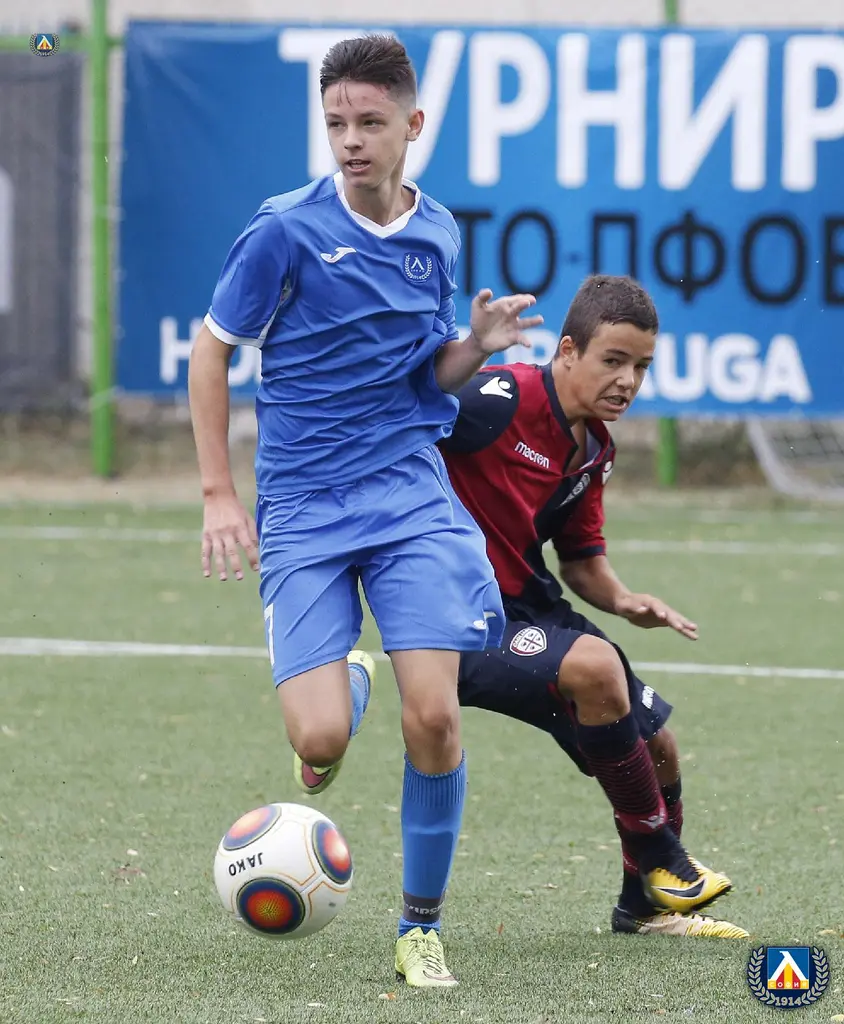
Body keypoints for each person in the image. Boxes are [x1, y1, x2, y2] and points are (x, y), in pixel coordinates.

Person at [188, 33, 544, 988]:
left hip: (407, 493)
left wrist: (475, 344)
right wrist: (220, 492)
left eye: (370, 123)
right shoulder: (283, 231)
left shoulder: (438, 235)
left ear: (412, 125)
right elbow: (211, 350)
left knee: (435, 716)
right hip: (304, 503)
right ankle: (346, 675)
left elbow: (428, 373)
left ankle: (420, 927)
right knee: (318, 741)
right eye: (336, 123)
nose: (351, 140)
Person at [440, 274, 748, 939]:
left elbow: (580, 558)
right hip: (456, 622)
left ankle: (643, 908)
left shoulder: (595, 447)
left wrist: (625, 599)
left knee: (658, 745)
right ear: (568, 350)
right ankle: (664, 859)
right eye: (613, 360)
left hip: (532, 606)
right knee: (597, 670)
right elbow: (403, 419)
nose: (627, 381)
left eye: (641, 366)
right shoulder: (499, 399)